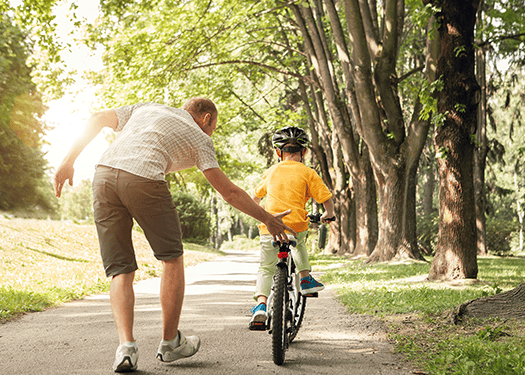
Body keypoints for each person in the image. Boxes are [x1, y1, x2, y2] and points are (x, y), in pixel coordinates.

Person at [53, 98, 295, 373]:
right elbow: (229, 192)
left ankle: (126, 348)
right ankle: (169, 343)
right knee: (172, 258)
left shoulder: (146, 108)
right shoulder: (200, 137)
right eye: (213, 127)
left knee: (120, 269)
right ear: (206, 118)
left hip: (104, 177)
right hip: (144, 179)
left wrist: (68, 160)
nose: (211, 133)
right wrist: (268, 219)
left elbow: (96, 117)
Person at [249, 126, 335, 330]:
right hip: (295, 224)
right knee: (299, 245)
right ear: (303, 152)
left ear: (278, 152)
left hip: (269, 226)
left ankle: (260, 305)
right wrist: (328, 214)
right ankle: (305, 279)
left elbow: (255, 198)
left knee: (266, 267)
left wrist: (263, 214)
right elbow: (326, 199)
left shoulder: (271, 171)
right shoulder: (308, 172)